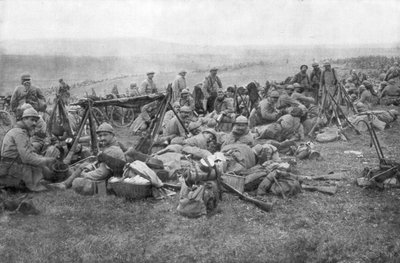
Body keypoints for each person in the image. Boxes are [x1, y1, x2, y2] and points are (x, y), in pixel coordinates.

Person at [49, 123, 125, 192]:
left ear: (112, 135)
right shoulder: (109, 146)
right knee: (82, 165)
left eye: (105, 135)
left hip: (108, 181)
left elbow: (102, 172)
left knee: (77, 181)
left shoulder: (113, 150)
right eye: (100, 135)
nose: (102, 138)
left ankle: (65, 183)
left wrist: (84, 174)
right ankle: (65, 184)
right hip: (105, 174)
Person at [0, 108, 56, 191]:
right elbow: (27, 158)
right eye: (32, 120)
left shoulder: (22, 131)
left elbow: (30, 152)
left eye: (36, 121)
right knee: (41, 169)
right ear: (24, 119)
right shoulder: (19, 133)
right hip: (11, 168)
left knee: (46, 169)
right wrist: (46, 160)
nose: (34, 123)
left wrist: (42, 158)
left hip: (12, 164)